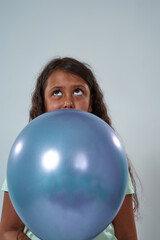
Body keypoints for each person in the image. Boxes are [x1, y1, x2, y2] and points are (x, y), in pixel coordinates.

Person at [0, 57, 139, 240]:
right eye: (57, 93)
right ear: (44, 103)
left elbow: (127, 235)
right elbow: (7, 231)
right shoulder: (26, 160)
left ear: (90, 103)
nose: (68, 102)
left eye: (78, 92)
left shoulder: (111, 160)